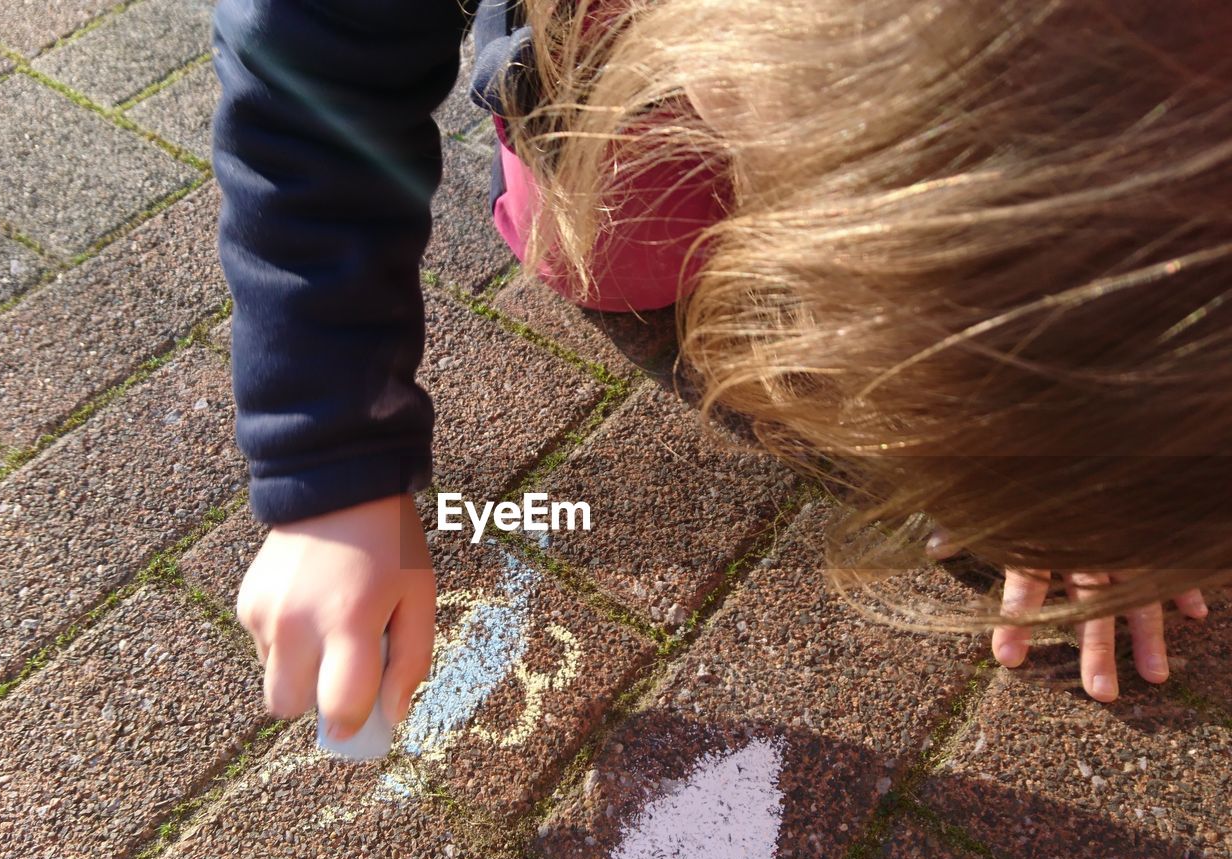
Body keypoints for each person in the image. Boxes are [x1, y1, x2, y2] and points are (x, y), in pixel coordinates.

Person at [215, 0, 1230, 744]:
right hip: (612, 131)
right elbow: (307, 81)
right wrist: (332, 466)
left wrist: (1084, 461)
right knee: (644, 246)